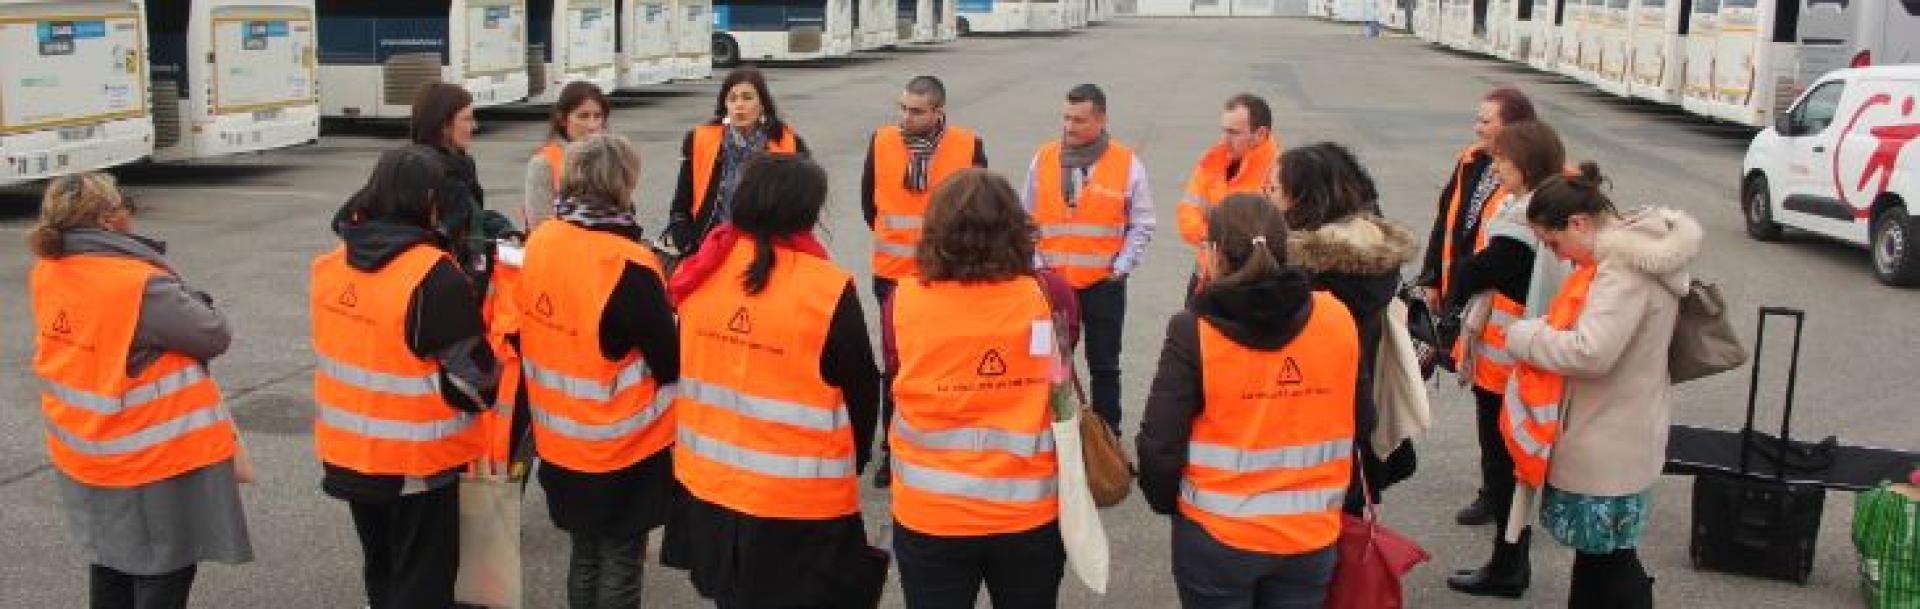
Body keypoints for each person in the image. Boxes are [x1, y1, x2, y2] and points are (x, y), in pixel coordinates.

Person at [29, 172, 253, 609]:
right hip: (149, 461)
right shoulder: (136, 285)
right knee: (161, 570)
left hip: (88, 450)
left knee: (111, 562)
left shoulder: (49, 271)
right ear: (108, 220)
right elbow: (213, 334)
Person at [667, 154, 881, 609]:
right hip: (797, 503)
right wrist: (857, 456)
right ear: (808, 212)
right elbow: (861, 390)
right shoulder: (826, 289)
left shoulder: (701, 273)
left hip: (710, 488)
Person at [1137, 194, 1359, 609]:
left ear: (1216, 253)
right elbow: (1363, 417)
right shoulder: (1336, 317)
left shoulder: (1193, 331)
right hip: (1310, 535)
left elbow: (1159, 444)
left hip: (1218, 537)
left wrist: (1173, 506)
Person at [312, 146, 500, 609]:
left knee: (382, 570)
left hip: (349, 454)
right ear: (430, 201)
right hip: (416, 465)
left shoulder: (331, 265)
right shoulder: (432, 276)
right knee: (423, 583)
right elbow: (479, 378)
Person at [1506, 164, 1700, 608]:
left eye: (1553, 242)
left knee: (1609, 561)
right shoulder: (1636, 257)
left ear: (1578, 223)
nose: (1558, 256)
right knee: (1602, 557)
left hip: (1605, 438)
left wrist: (1524, 336)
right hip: (1624, 432)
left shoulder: (1620, 271)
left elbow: (1591, 352)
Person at [885, 169, 1080, 609]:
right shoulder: (1051, 295)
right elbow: (1064, 360)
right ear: (1016, 228)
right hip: (1027, 513)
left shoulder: (903, 299)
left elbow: (896, 367)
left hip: (931, 513)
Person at [517, 134, 679, 609]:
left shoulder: (542, 239)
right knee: (621, 559)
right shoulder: (627, 264)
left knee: (585, 552)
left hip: (558, 436)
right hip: (623, 443)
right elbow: (670, 360)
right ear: (622, 184)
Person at [1441, 120, 1574, 599]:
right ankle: (1509, 556)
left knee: (1502, 466)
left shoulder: (1524, 218)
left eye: (1503, 160)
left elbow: (1486, 268)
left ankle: (1507, 564)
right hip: (1513, 355)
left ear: (1527, 165)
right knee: (1506, 466)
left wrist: (1458, 275)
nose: (1494, 166)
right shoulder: (1546, 205)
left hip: (1507, 362)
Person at [1268, 143, 1420, 514]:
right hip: (1358, 425)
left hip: (1313, 425)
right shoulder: (1372, 255)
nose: (1265, 195)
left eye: (1273, 188)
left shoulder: (1308, 275)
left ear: (1303, 196)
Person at [1413, 85, 1537, 527]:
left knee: (1506, 416)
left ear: (1513, 127)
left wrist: (1462, 283)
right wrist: (1433, 277)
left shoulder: (1529, 183)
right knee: (1486, 412)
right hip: (1470, 303)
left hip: (1503, 316)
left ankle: (1507, 502)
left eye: (1486, 120)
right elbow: (1446, 218)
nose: (1477, 127)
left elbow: (1501, 256)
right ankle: (1495, 492)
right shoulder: (1472, 161)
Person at [861, 74, 990, 488]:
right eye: (902, 108)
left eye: (916, 111)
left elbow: (981, 208)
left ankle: (943, 444)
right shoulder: (881, 142)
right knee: (895, 368)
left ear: (939, 113)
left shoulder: (968, 145)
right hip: (894, 278)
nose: (905, 117)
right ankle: (892, 451)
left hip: (948, 276)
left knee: (947, 364)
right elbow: (870, 204)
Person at [1021, 83, 1156, 435]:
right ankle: (1054, 434)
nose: (1069, 127)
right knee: (1052, 366)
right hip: (1051, 285)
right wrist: (1037, 265)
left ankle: (1108, 436)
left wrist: (1120, 268)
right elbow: (1026, 219)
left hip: (1102, 287)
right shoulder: (1044, 158)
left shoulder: (1127, 165)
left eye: (1079, 120)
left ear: (1101, 119)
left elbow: (1142, 224)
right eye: (1066, 117)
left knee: (1104, 367)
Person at [666, 68, 812, 256]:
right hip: (710, 250)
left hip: (770, 252)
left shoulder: (790, 144)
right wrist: (688, 244)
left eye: (747, 97)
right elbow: (680, 206)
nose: (739, 105)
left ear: (762, 104)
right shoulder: (700, 140)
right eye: (732, 98)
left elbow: (803, 209)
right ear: (724, 105)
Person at [409, 83, 516, 275]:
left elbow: (472, 218)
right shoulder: (422, 172)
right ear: (443, 125)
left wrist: (503, 230)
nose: (474, 126)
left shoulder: (461, 164)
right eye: (467, 119)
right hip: (437, 277)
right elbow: (455, 232)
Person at [1178, 93, 1279, 249]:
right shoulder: (1212, 161)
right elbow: (1187, 215)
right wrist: (1213, 242)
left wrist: (1212, 219)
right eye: (1224, 131)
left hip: (1252, 271)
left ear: (1260, 134)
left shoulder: (1278, 173)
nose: (1224, 140)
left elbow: (1269, 235)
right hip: (1209, 266)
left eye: (1234, 133)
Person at [522, 81, 612, 226]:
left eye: (597, 116)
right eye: (583, 116)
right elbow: (540, 224)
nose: (592, 125)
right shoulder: (543, 163)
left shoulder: (611, 158)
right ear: (563, 119)